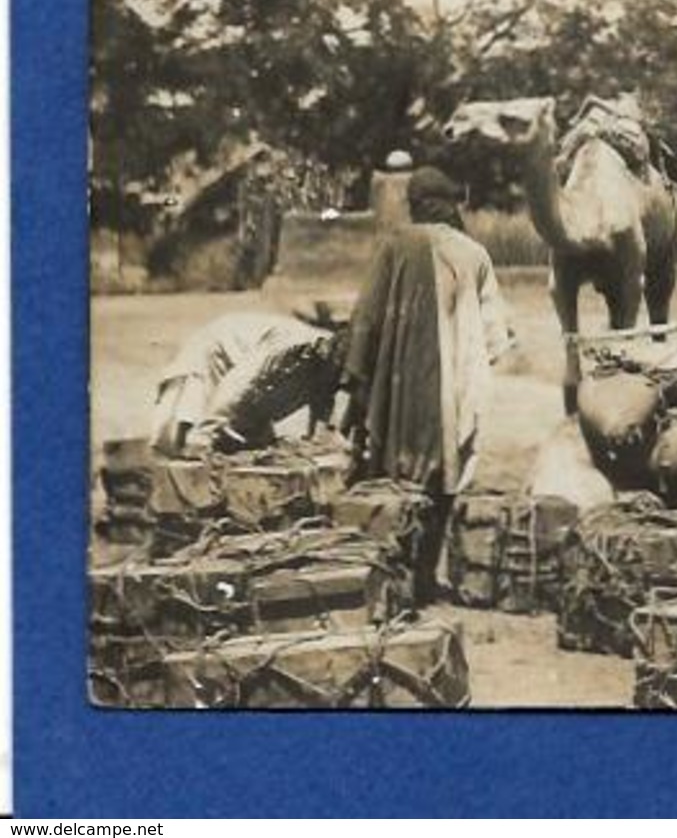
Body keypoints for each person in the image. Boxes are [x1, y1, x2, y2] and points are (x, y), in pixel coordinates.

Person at [343, 165, 514, 602]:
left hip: (394, 389)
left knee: (388, 475)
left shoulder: (394, 246)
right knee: (443, 478)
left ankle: (389, 576)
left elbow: (366, 318)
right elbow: (496, 336)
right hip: (451, 393)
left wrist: (355, 379)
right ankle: (424, 578)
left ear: (414, 204)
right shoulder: (474, 253)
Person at [150, 311, 346, 455]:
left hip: (244, 379)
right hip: (217, 355)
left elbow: (323, 406)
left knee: (253, 448)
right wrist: (205, 432)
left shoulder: (334, 363)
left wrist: (322, 442)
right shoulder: (299, 346)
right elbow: (239, 381)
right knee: (186, 443)